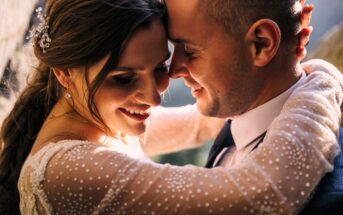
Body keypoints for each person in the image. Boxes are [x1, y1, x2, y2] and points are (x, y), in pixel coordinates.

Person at [0, 0, 341, 214]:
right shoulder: (68, 170)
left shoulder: (99, 124)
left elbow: (207, 119)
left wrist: (288, 74)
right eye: (123, 78)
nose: (154, 97)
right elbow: (264, 195)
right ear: (64, 73)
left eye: (159, 68)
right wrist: (324, 80)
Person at [164, 0, 343, 213]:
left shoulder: (332, 201)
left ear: (262, 43)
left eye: (190, 51)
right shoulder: (233, 120)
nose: (173, 71)